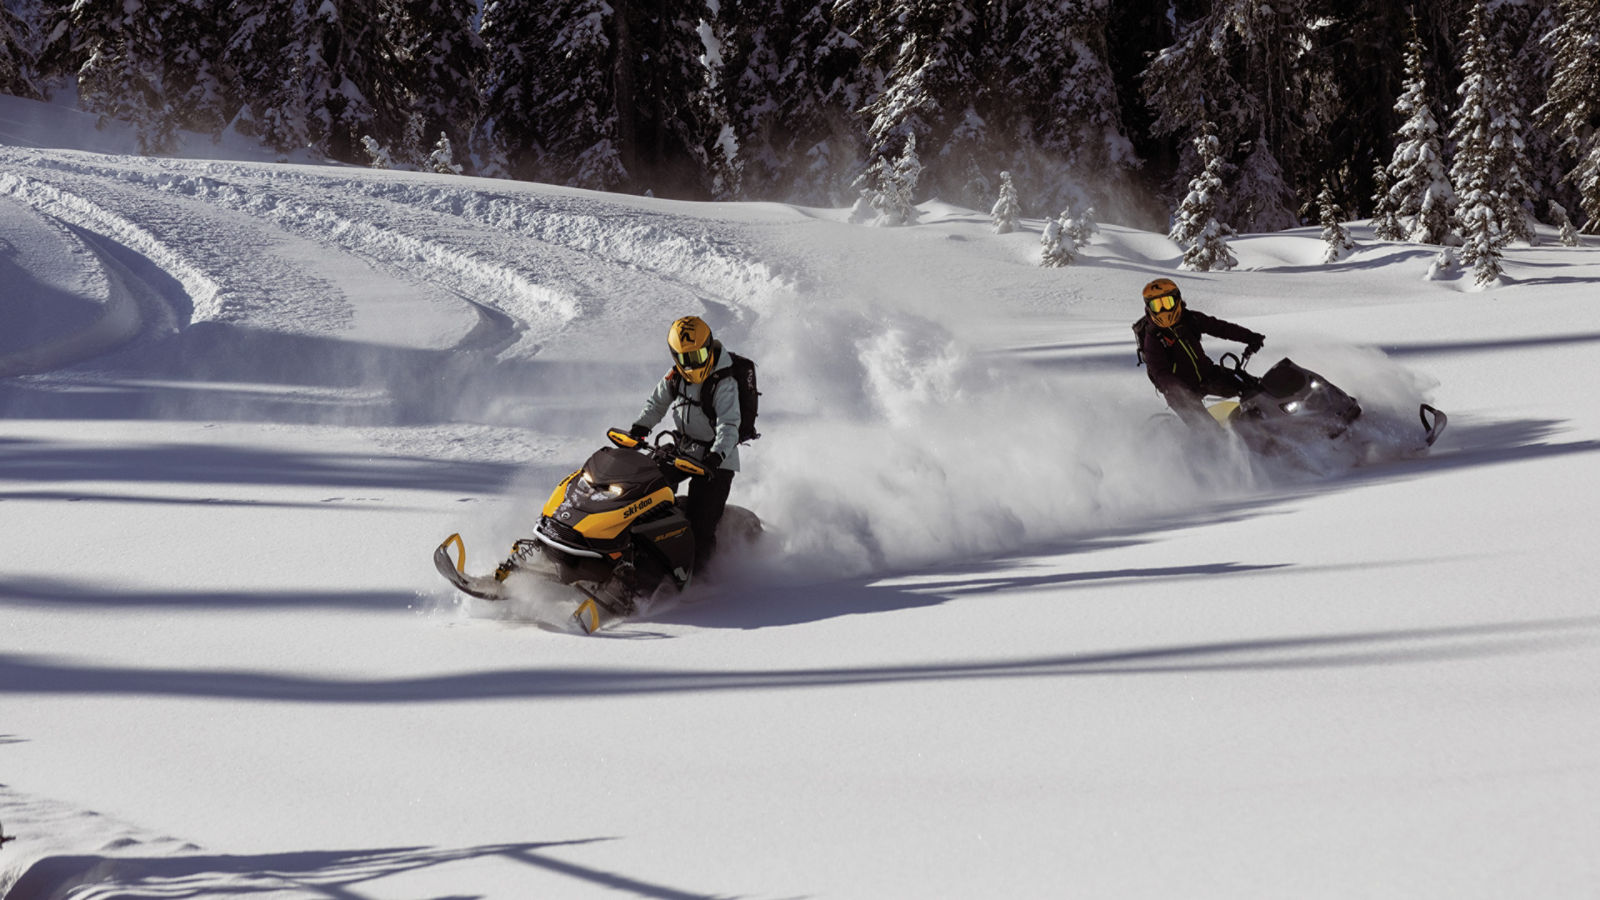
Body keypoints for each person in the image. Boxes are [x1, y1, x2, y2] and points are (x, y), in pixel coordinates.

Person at [628, 315, 742, 574]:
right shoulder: (676, 375)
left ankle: (699, 578)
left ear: (708, 347)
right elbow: (656, 403)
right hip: (683, 449)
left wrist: (716, 456)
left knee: (701, 525)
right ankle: (638, 552)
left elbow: (729, 426)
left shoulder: (725, 383)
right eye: (684, 358)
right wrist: (640, 427)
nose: (691, 365)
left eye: (698, 356)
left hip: (717, 461)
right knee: (643, 492)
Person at [1134, 278, 1265, 432]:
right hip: (1180, 393)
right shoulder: (1153, 338)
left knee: (1255, 390)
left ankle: (1266, 427)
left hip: (1207, 374)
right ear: (1149, 308)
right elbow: (1160, 373)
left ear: (1177, 300)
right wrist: (1180, 391)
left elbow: (1220, 328)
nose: (1163, 310)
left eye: (1167, 303)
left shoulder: (1190, 319)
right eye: (1156, 306)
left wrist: (1250, 337)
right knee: (1210, 432)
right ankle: (1205, 452)